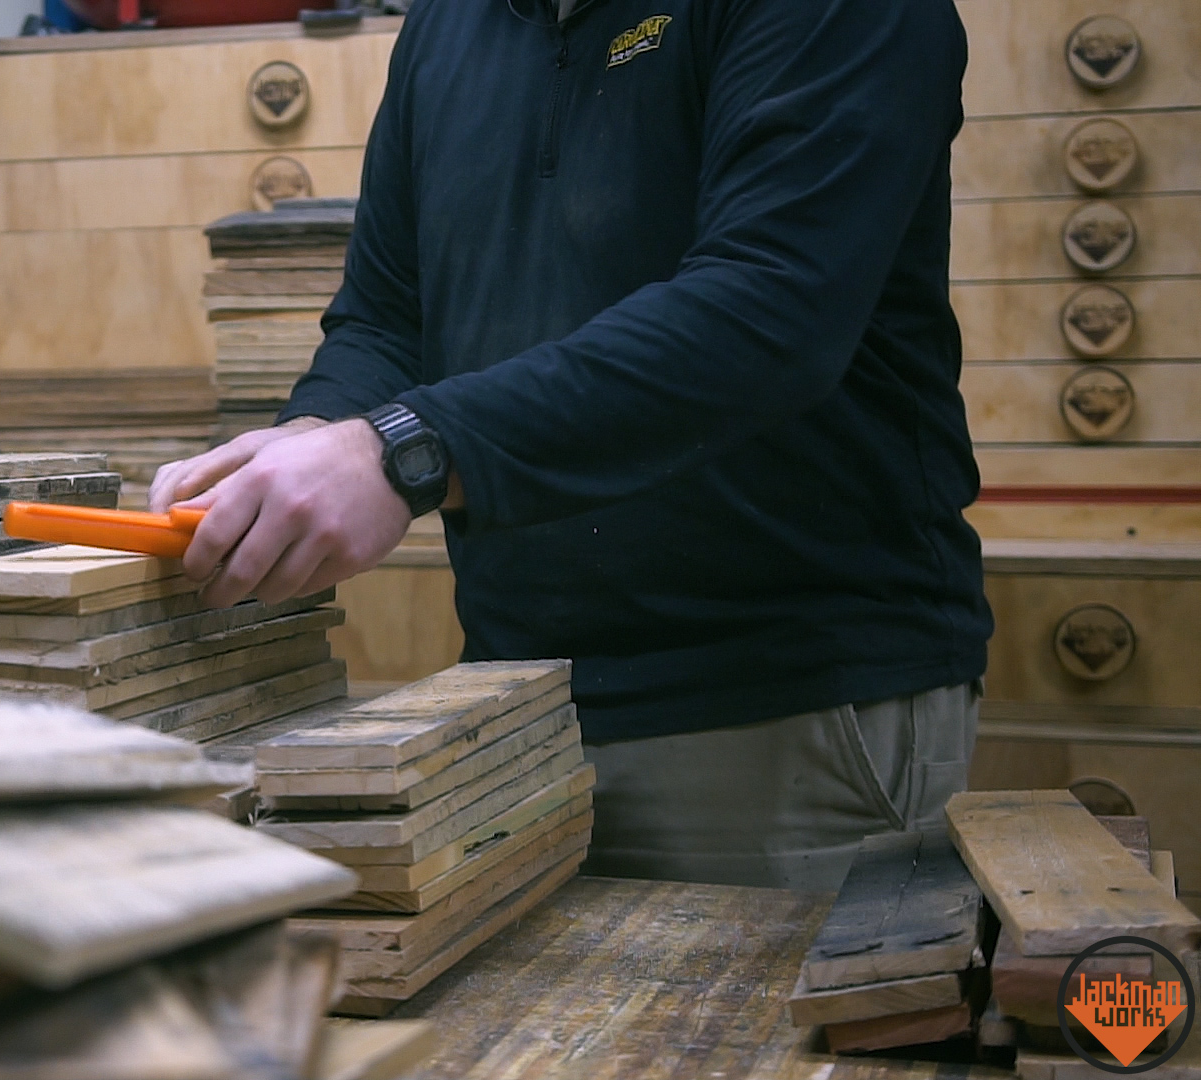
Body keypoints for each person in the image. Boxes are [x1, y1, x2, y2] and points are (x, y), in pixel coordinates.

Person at [148, 0, 992, 892]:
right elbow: (389, 316)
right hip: (511, 712)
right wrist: (319, 435)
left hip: (784, 715)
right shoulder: (449, 22)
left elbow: (769, 309)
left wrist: (400, 454)